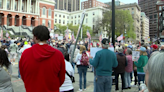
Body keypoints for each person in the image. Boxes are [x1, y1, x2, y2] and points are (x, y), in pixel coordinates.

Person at [19, 25, 66, 92]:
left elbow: (23, 75)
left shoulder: (26, 53)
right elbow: (62, 78)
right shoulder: (58, 54)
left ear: (35, 37)